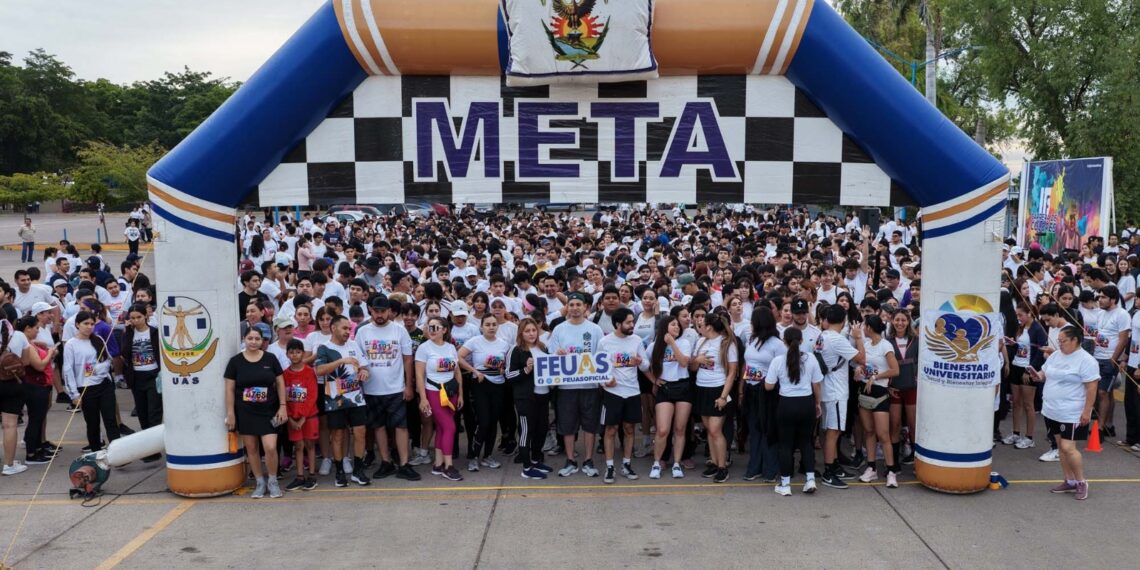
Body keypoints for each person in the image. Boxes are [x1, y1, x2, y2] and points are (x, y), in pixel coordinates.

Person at [354, 295, 421, 481]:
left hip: (396, 388)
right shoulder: (362, 332)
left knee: (401, 426)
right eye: (377, 311)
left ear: (389, 311)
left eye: (383, 311)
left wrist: (408, 385)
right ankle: (386, 462)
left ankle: (404, 464)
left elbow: (408, 359)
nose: (380, 315)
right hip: (371, 389)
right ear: (370, 310)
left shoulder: (399, 330)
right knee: (378, 427)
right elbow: (358, 359)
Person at [1029, 326, 1098, 500]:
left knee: (1068, 448)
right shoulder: (1055, 356)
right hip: (1052, 409)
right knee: (1060, 447)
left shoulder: (1086, 360)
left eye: (1063, 341)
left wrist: (1087, 411)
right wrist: (1038, 376)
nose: (1060, 344)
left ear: (1075, 340)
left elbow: (1091, 387)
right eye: (1059, 341)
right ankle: (1069, 480)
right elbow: (1044, 373)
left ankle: (1081, 481)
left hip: (1071, 411)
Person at [224, 324, 287, 499]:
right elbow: (229, 389)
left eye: (257, 339)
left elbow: (281, 383)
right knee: (251, 448)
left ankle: (273, 481)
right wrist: (231, 413)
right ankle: (259, 482)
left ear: (263, 341)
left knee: (270, 447)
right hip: (245, 411)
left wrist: (283, 406)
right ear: (244, 339)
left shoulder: (270, 358)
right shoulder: (235, 361)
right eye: (250, 338)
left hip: (269, 410)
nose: (253, 342)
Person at [548, 291, 605, 478]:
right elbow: (551, 354)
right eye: (571, 305)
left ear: (585, 307)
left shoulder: (594, 330)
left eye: (578, 305)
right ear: (567, 307)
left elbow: (600, 357)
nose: (574, 308)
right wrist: (559, 354)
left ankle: (588, 460)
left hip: (589, 386)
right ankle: (571, 460)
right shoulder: (559, 329)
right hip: (566, 387)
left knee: (590, 425)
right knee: (567, 425)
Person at [765, 327, 823, 496]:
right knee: (806, 442)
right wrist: (817, 403)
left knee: (785, 444)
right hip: (806, 403)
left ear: (784, 341)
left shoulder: (778, 361)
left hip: (786, 404)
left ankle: (785, 483)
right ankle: (810, 479)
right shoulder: (811, 358)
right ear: (802, 341)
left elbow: (769, 386)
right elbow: (816, 384)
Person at [314, 315, 370, 487]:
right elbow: (319, 370)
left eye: (349, 328)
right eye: (344, 328)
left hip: (356, 397)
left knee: (360, 432)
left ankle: (358, 470)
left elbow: (364, 366)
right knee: (337, 435)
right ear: (333, 328)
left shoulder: (354, 345)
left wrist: (364, 372)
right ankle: (339, 471)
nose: (348, 331)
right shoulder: (324, 348)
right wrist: (340, 361)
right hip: (334, 398)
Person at [598, 308, 650, 483]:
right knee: (610, 430)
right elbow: (597, 367)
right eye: (628, 322)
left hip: (633, 391)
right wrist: (605, 381)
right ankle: (610, 466)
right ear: (618, 324)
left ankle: (626, 464)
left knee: (629, 429)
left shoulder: (636, 340)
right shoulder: (605, 342)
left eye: (632, 322)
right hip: (612, 393)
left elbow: (645, 366)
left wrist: (640, 362)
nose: (632, 325)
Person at [817, 303, 866, 489]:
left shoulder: (823, 336)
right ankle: (829, 472)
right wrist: (858, 337)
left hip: (827, 388)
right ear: (844, 320)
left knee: (830, 430)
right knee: (833, 432)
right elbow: (861, 358)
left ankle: (835, 466)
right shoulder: (837, 339)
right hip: (836, 391)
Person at [458, 314, 511, 472]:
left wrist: (502, 368)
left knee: (493, 421)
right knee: (483, 421)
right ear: (481, 326)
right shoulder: (475, 341)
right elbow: (458, 357)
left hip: (498, 384)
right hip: (481, 383)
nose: (491, 327)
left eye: (494, 324)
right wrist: (474, 370)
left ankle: (487, 456)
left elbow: (506, 364)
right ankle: (473, 456)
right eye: (488, 324)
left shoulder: (504, 344)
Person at [689, 312, 737, 483]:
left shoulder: (726, 344)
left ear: (709, 325)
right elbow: (693, 368)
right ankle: (715, 464)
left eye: (702, 320)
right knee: (709, 429)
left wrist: (724, 396)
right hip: (702, 388)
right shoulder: (701, 341)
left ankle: (723, 467)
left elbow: (732, 373)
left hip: (718, 388)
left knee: (716, 430)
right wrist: (698, 360)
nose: (699, 321)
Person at [415, 316, 464, 481]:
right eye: (430, 327)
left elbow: (457, 372)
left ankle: (438, 463)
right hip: (433, 392)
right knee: (450, 427)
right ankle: (448, 466)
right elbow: (420, 376)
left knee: (443, 428)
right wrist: (423, 398)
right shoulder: (424, 348)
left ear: (444, 330)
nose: (432, 330)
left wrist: (461, 394)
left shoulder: (451, 347)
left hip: (451, 392)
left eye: (436, 327)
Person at [63, 311, 119, 453]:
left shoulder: (98, 339)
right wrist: (74, 395)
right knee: (92, 423)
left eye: (92, 324)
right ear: (77, 325)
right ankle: (96, 452)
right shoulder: (71, 344)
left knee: (110, 420)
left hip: (104, 385)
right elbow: (68, 369)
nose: (89, 327)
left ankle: (118, 452)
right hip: (86, 389)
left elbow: (108, 361)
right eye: (85, 324)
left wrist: (97, 369)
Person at [855, 315, 900, 487]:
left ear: (870, 328)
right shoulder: (866, 345)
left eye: (865, 326)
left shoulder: (886, 346)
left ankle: (891, 471)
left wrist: (876, 376)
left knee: (883, 434)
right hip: (865, 391)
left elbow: (895, 370)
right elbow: (863, 365)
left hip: (880, 392)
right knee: (869, 431)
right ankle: (871, 468)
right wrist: (859, 371)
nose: (863, 329)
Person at [505, 317, 553, 479]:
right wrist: (525, 370)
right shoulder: (516, 350)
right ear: (521, 333)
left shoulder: (543, 347)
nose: (531, 333)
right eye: (527, 331)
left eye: (534, 330)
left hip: (543, 395)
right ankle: (526, 468)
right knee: (527, 431)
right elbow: (509, 375)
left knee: (542, 429)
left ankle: (535, 459)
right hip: (525, 398)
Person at [741, 307, 784, 482]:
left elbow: (783, 368)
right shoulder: (751, 339)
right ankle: (755, 466)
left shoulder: (777, 344)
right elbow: (747, 364)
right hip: (750, 389)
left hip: (768, 392)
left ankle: (770, 468)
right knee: (754, 428)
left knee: (768, 429)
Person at [648, 314, 693, 479]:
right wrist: (654, 380)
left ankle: (676, 463)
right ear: (664, 327)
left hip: (682, 386)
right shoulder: (654, 346)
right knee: (662, 429)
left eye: (677, 325)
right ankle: (656, 462)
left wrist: (672, 343)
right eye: (673, 325)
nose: (676, 327)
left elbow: (683, 362)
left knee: (680, 429)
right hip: (665, 387)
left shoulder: (684, 343)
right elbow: (645, 365)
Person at [120, 304, 162, 462]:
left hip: (153, 376)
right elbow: (124, 353)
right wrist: (127, 332)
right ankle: (147, 447)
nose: (136, 320)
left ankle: (154, 448)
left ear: (146, 316)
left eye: (139, 317)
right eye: (133, 318)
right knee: (142, 414)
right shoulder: (129, 334)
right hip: (137, 377)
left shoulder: (154, 333)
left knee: (154, 413)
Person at [1002, 304, 1047, 449]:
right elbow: (1021, 347)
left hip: (1027, 368)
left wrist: (1030, 370)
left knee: (1028, 404)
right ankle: (1015, 433)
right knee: (1016, 402)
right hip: (1016, 365)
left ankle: (1029, 437)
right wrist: (1013, 343)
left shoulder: (1038, 329)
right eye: (1017, 315)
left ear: (1029, 313)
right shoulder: (1020, 328)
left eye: (1020, 315)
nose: (1018, 318)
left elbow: (1040, 352)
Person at [14, 316, 57, 465]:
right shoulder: (28, 345)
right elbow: (39, 365)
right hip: (35, 386)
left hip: (40, 385)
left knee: (38, 419)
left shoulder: (30, 343)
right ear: (27, 329)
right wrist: (50, 353)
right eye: (36, 328)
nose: (38, 331)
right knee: (35, 419)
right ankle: (31, 453)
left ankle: (38, 448)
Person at [283, 339, 320, 491]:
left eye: (298, 352)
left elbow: (312, 396)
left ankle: (311, 476)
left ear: (303, 353)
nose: (295, 355)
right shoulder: (285, 374)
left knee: (310, 445)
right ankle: (299, 476)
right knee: (298, 446)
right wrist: (291, 418)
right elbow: (284, 397)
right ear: (287, 354)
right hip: (293, 418)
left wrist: (303, 417)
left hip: (309, 417)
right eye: (291, 352)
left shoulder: (309, 372)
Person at [887, 310, 918, 466]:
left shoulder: (916, 340)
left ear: (908, 322)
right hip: (895, 389)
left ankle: (915, 457)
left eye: (903, 320)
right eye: (897, 320)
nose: (900, 323)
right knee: (895, 424)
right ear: (892, 321)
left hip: (912, 388)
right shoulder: (887, 341)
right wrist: (887, 385)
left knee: (913, 424)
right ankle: (894, 462)